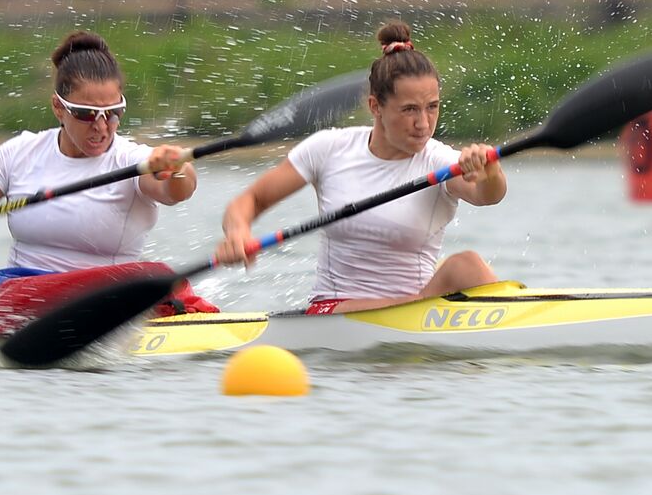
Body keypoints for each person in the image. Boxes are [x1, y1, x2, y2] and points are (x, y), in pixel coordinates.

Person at [0, 31, 216, 334]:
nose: (101, 127)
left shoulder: (132, 160)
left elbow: (178, 191)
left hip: (109, 297)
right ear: (59, 108)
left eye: (112, 114)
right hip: (24, 295)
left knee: (156, 276)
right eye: (86, 114)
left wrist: (176, 167)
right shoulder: (19, 153)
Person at [216, 20, 506, 314]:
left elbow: (488, 195)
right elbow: (250, 200)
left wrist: (489, 172)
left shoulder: (439, 161)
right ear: (375, 106)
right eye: (409, 110)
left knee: (466, 266)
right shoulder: (329, 148)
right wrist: (238, 233)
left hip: (414, 311)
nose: (423, 123)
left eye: (432, 106)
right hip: (337, 310)